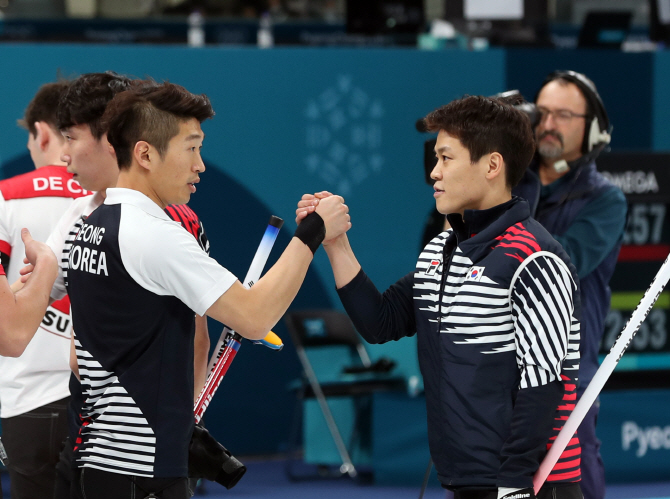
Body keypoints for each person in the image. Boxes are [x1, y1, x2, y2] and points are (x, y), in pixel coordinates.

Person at [62, 80, 349, 499]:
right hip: (145, 473)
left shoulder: (87, 228)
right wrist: (313, 232)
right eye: (191, 148)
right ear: (145, 153)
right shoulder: (156, 235)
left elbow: (77, 357)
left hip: (100, 461)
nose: (201, 165)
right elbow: (254, 318)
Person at [297, 94, 583, 499]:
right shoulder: (441, 248)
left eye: (446, 158)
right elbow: (379, 322)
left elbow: (544, 386)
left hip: (532, 486)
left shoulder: (536, 258)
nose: (434, 173)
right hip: (468, 480)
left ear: (491, 165)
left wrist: (515, 481)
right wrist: (336, 245)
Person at [42, 72, 218, 499]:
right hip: (87, 433)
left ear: (110, 138)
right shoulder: (78, 215)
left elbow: (198, 332)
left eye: (71, 137)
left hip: (139, 452)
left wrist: (181, 421)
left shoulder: (175, 222)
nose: (63, 154)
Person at [513, 71, 627, 499]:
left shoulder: (604, 200)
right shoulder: (505, 183)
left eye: (563, 115)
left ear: (592, 127)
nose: (547, 124)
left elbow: (559, 264)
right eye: (541, 113)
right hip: (495, 372)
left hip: (566, 376)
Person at [0, 80, 91, 499]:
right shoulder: (111, 198)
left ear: (42, 133)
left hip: (26, 396)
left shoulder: (5, 197)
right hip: (102, 398)